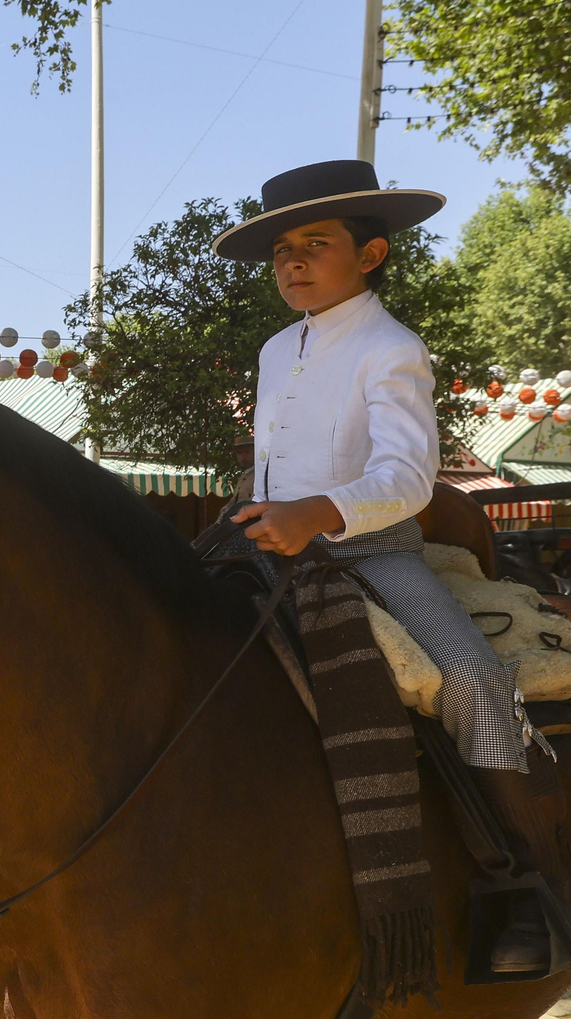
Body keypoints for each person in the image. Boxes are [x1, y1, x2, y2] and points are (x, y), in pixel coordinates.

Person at [214, 158, 569, 974]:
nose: (293, 262)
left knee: (473, 678)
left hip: (372, 550)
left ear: (370, 254)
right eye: (281, 251)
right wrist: (266, 513)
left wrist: (319, 512)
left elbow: (409, 478)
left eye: (314, 244)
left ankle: (519, 883)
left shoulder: (392, 347)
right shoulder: (275, 349)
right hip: (265, 541)